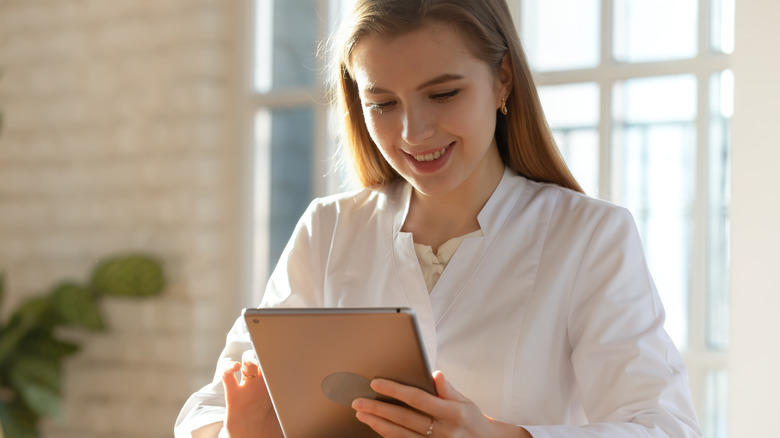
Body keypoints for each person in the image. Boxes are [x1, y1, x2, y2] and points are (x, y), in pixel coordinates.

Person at [175, 0, 702, 436]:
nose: (412, 133)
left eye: (443, 93)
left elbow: (665, 426)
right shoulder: (329, 229)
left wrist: (501, 435)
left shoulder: (589, 236)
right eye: (382, 103)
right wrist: (242, 431)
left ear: (502, 81)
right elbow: (204, 412)